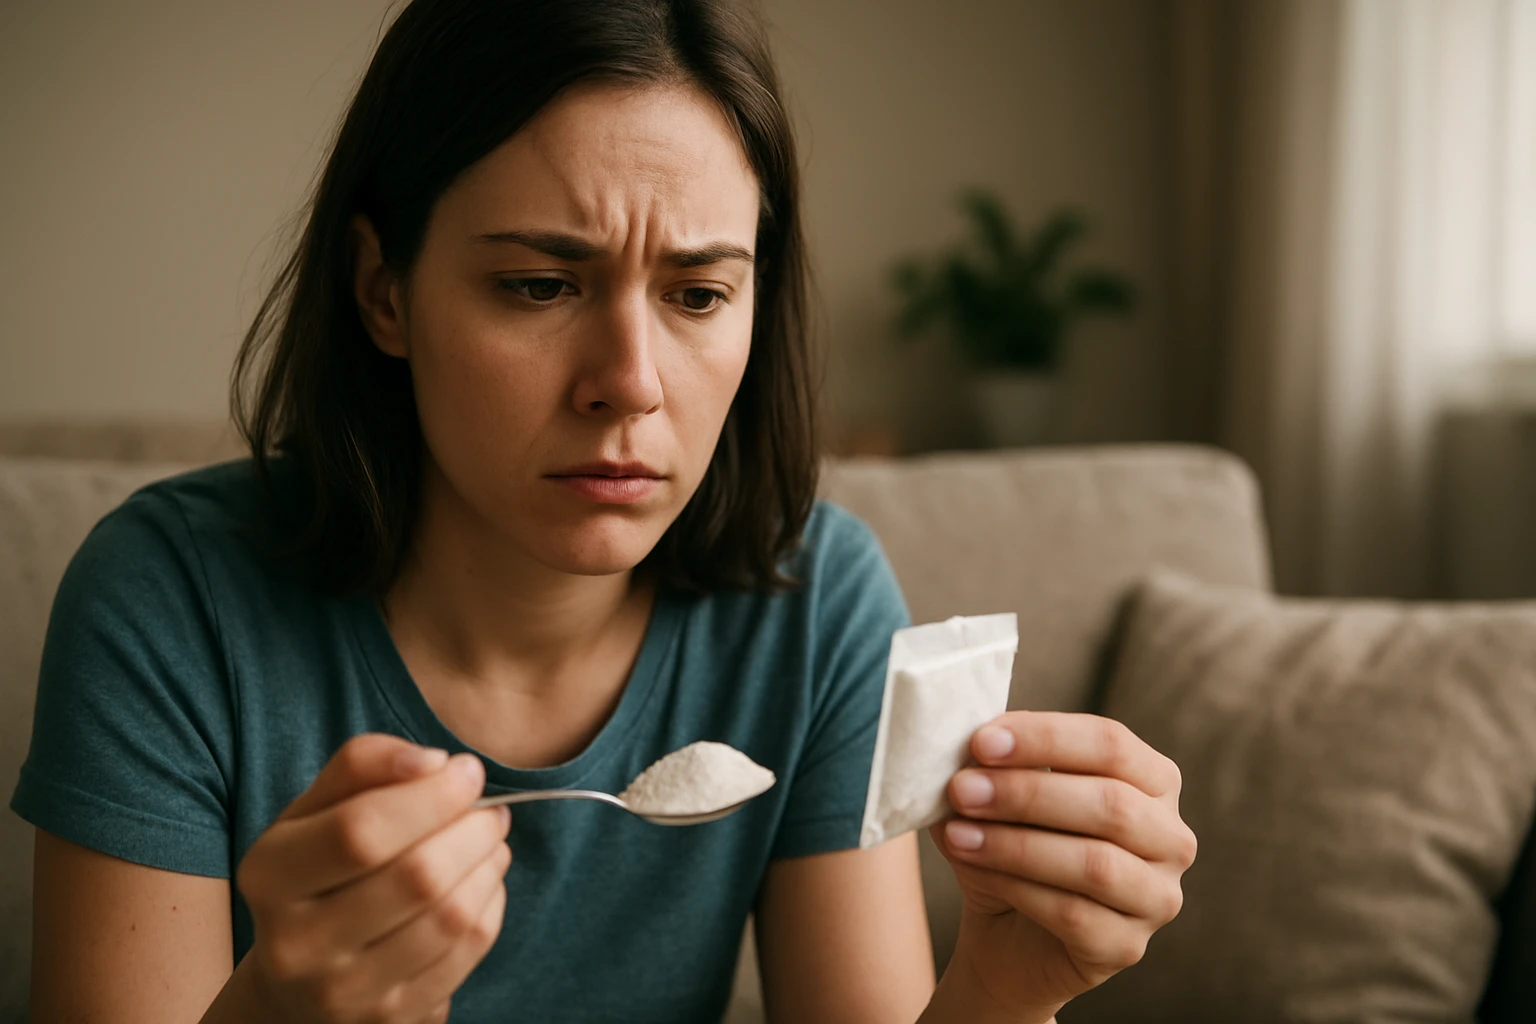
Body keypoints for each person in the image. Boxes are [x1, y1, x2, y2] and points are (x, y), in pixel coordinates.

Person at [12, 1, 1196, 1021]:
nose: (630, 383)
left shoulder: (814, 604)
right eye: (539, 285)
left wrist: (1007, 990)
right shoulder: (169, 601)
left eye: (698, 293)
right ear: (383, 290)